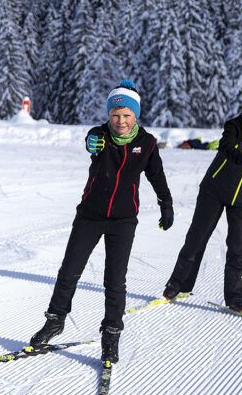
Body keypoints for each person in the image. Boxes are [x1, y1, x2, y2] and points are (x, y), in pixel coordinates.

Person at [30, 79, 173, 365]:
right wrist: (92, 142)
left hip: (123, 220)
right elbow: (91, 141)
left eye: (126, 115)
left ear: (136, 116)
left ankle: (111, 334)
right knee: (69, 270)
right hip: (90, 215)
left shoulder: (146, 143)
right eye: (115, 115)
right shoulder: (100, 136)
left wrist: (165, 204)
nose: (120, 121)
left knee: (115, 280)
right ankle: (55, 320)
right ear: (109, 115)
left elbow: (156, 175)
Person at [161, 85, 242, 312]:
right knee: (196, 238)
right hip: (213, 190)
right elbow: (225, 147)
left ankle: (236, 298)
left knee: (238, 248)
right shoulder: (233, 126)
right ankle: (178, 284)